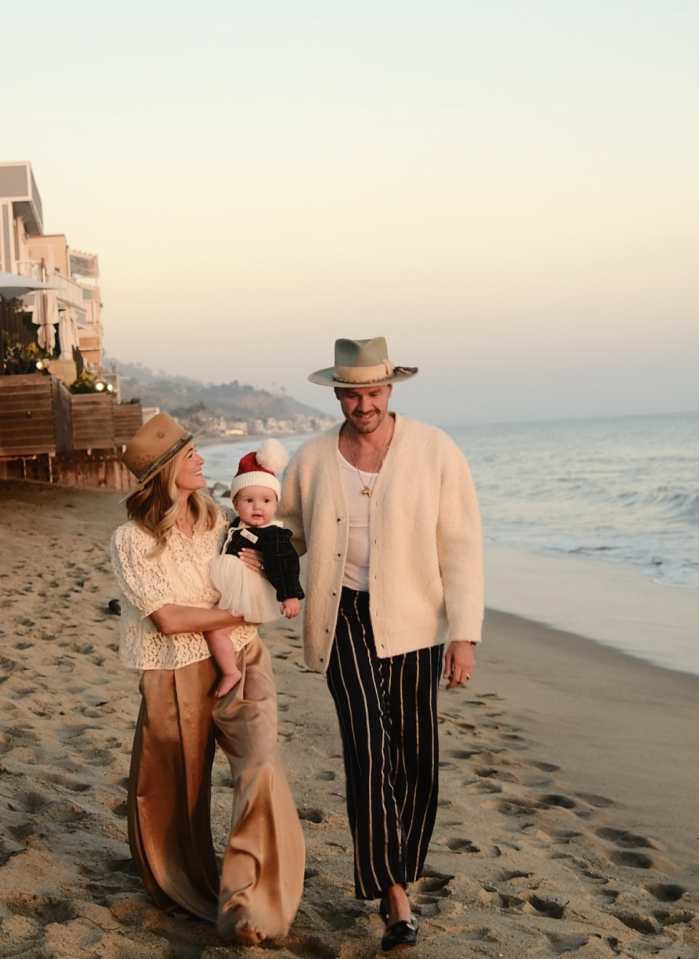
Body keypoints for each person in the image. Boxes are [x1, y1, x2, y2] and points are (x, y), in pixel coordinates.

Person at [278, 337, 484, 952]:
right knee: (368, 744)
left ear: (389, 391)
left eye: (373, 392)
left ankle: (402, 867)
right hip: (341, 615)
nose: (363, 404)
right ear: (337, 393)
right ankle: (393, 893)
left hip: (416, 621)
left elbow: (462, 545)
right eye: (352, 393)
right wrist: (241, 551)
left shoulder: (434, 449)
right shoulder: (314, 458)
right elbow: (285, 530)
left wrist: (464, 634)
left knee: (415, 750)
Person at [109, 413, 305, 944]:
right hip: (173, 669)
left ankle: (252, 902)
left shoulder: (220, 518)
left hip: (244, 658)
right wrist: (238, 616)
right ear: (168, 469)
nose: (200, 460)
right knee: (178, 788)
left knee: (262, 763)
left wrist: (268, 580)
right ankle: (185, 885)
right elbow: (168, 619)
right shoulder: (129, 540)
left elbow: (260, 561)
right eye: (191, 454)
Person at [205, 439, 304, 696]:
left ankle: (230, 672)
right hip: (235, 590)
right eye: (249, 500)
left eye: (266, 501)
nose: (257, 506)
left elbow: (285, 563)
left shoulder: (273, 536)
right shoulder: (238, 524)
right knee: (215, 627)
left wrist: (290, 595)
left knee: (216, 632)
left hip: (250, 594)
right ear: (236, 504)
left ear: (276, 504)